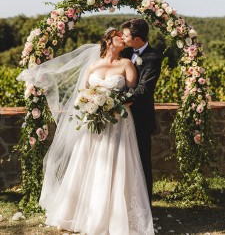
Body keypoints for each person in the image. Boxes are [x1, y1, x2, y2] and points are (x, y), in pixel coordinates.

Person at [18, 28, 155, 234]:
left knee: (116, 166)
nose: (123, 41)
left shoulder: (127, 64)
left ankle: (113, 217)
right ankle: (85, 214)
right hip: (94, 124)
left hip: (117, 124)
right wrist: (91, 105)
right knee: (89, 164)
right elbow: (82, 95)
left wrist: (112, 105)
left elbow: (132, 95)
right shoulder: (92, 66)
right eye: (120, 38)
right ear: (109, 41)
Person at [121, 18, 161, 204]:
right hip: (122, 117)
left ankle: (146, 204)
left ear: (137, 39)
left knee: (142, 160)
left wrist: (119, 101)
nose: (123, 37)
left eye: (126, 35)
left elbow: (144, 89)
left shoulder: (153, 58)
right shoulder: (126, 52)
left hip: (140, 118)